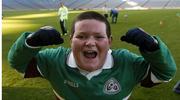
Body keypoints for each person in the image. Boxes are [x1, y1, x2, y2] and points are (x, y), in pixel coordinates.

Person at [8, 11, 176, 100]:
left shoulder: (126, 63)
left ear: (109, 41)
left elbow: (165, 73)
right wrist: (30, 43)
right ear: (70, 41)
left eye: (99, 37)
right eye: (81, 36)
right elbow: (18, 63)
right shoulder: (55, 60)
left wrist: (155, 49)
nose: (89, 43)